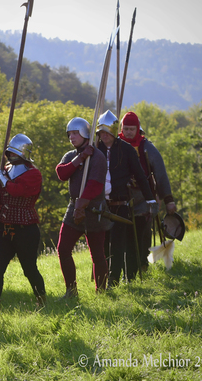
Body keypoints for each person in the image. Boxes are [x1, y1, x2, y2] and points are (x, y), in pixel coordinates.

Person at [0, 133, 46, 312]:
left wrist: (2, 178)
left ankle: (42, 302)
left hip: (26, 229)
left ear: (24, 153)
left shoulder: (34, 173)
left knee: (29, 269)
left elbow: (17, 191)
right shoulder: (6, 170)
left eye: (15, 153)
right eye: (11, 153)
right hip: (3, 228)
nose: (12, 156)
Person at [95, 110, 157, 286]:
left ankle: (114, 280)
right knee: (102, 243)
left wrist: (150, 199)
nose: (104, 136)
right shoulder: (94, 149)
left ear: (114, 132)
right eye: (101, 133)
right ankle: (102, 278)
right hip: (100, 205)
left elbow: (139, 174)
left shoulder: (127, 150)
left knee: (118, 242)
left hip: (121, 203)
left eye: (107, 132)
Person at [55, 117, 112, 298]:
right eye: (69, 134)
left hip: (94, 208)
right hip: (74, 206)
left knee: (97, 253)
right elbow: (62, 173)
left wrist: (83, 203)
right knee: (63, 248)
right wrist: (80, 158)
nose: (71, 137)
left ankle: (101, 292)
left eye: (75, 133)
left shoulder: (98, 157)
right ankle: (71, 290)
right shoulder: (72, 155)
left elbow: (95, 184)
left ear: (85, 133)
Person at [118, 111, 177, 272]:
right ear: (121, 128)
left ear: (138, 129)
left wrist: (168, 199)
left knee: (142, 235)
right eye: (126, 128)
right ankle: (126, 270)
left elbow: (160, 173)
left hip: (144, 198)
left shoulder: (147, 147)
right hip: (121, 198)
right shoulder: (115, 145)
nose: (129, 132)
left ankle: (142, 266)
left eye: (132, 129)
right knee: (123, 236)